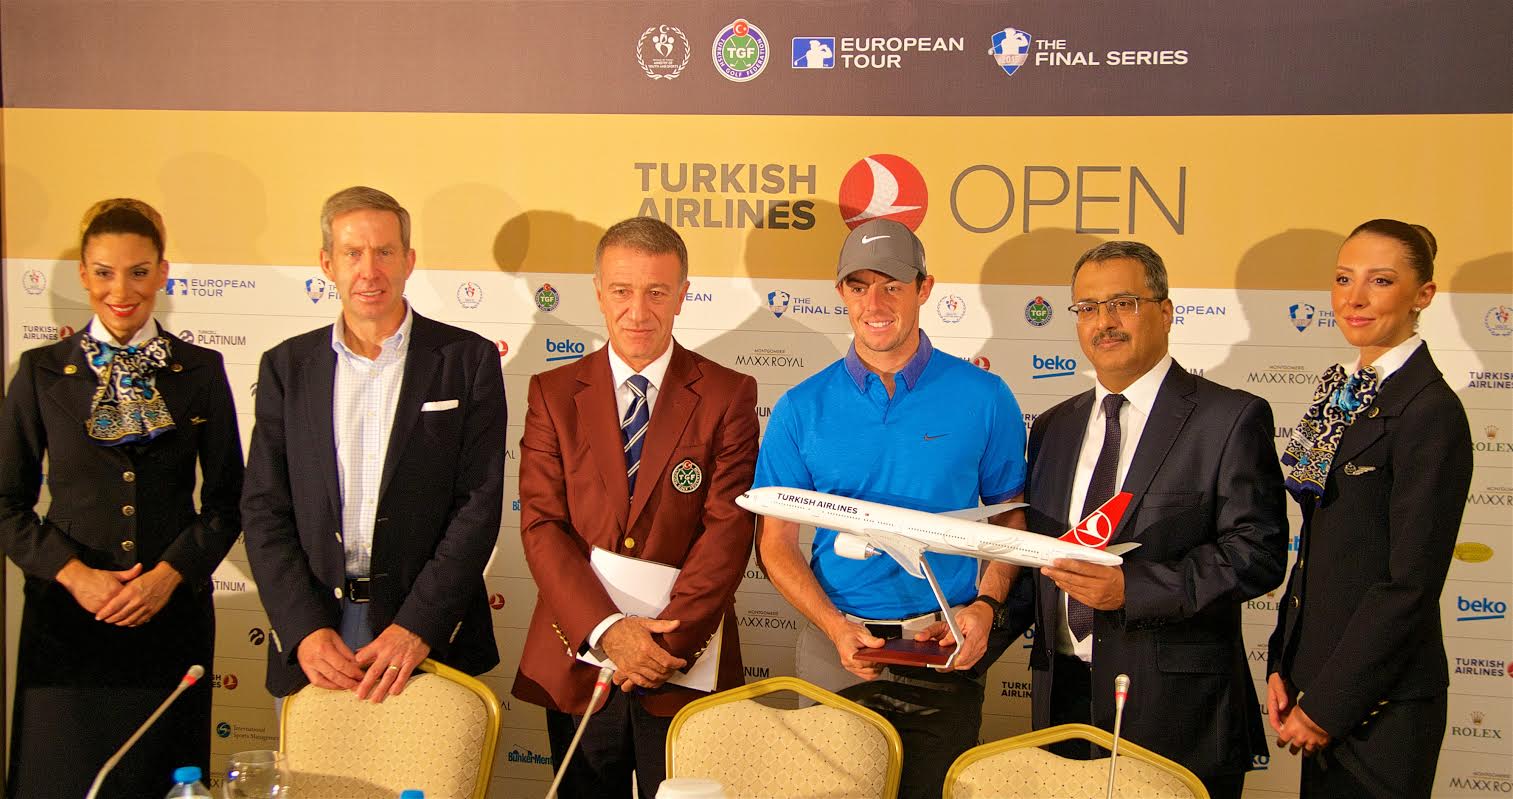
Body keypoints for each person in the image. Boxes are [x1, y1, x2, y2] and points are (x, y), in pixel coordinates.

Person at [753, 218, 1029, 799]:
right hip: (836, 648)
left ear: (925, 289)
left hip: (944, 648)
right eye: (858, 287)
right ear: (841, 293)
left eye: (892, 286)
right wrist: (835, 628)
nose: (874, 305)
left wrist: (985, 608)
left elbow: (1009, 519)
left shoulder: (985, 396)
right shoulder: (800, 407)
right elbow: (775, 543)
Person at [1023, 241, 1287, 799]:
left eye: (1123, 303)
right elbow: (1040, 560)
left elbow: (1258, 552)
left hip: (1177, 715)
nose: (1104, 322)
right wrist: (978, 618)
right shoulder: (1052, 427)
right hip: (1062, 702)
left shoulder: (1229, 418)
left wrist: (1132, 589)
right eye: (1088, 307)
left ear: (1166, 312)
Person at [0, 199, 243, 798]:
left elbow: (229, 502)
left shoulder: (200, 370)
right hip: (66, 625)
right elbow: (5, 504)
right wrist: (75, 575)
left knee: (161, 779)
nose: (121, 290)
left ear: (163, 273)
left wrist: (168, 577)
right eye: (105, 273)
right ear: (84, 275)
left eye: (138, 272)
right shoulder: (40, 371)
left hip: (170, 622)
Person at [512, 217, 759, 798]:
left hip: (681, 663)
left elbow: (728, 531)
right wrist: (608, 632)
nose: (638, 311)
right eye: (622, 291)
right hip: (577, 657)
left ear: (683, 294)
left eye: (657, 292)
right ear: (599, 292)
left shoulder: (728, 394)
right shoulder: (552, 393)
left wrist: (661, 649)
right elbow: (542, 525)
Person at [241, 186, 506, 702]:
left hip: (427, 638)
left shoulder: (467, 360)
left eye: (384, 251)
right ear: (327, 263)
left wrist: (418, 626)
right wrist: (304, 628)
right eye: (353, 253)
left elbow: (478, 504)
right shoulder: (286, 367)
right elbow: (263, 508)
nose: (370, 270)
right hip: (318, 640)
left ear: (409, 261)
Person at [1266, 220, 1472, 798]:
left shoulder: (1430, 410)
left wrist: (1328, 706)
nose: (1353, 298)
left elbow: (1410, 583)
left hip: (1380, 707)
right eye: (1343, 279)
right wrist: (1283, 659)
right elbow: (1319, 544)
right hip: (1317, 684)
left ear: (1422, 295)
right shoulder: (1342, 395)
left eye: (1379, 281)